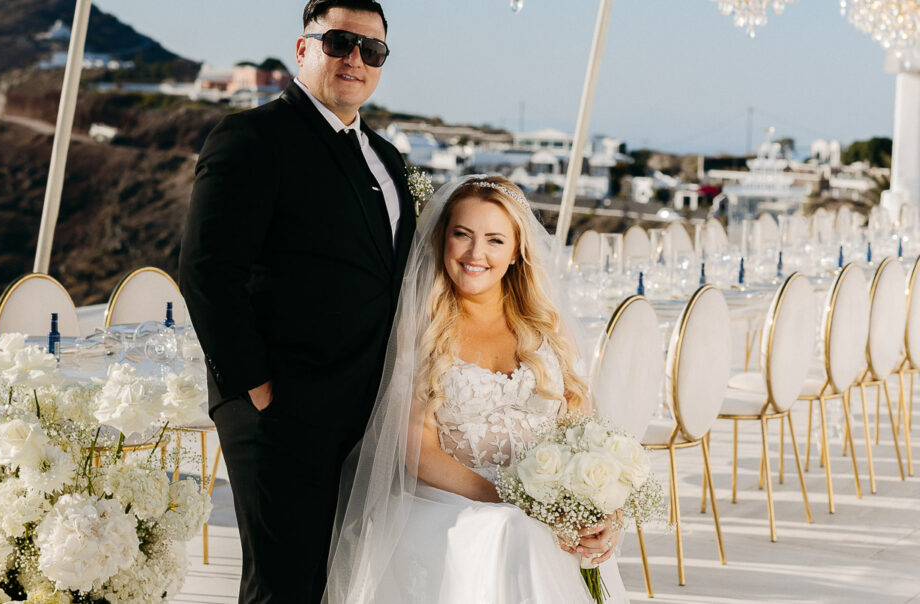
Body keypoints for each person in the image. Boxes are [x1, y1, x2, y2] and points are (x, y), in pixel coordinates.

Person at [178, 1, 415, 602]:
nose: (355, 59)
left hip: (367, 407)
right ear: (304, 49)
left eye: (372, 49)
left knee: (338, 579)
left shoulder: (387, 159)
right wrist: (257, 390)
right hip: (282, 409)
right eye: (339, 42)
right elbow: (208, 273)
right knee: (283, 585)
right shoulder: (252, 138)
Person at [324, 175, 629, 603]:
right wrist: (511, 500)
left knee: (529, 530)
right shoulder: (421, 328)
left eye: (494, 240)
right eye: (462, 235)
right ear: (442, 239)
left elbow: (584, 436)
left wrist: (599, 508)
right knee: (511, 529)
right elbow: (416, 448)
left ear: (518, 251)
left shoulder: (547, 327)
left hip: (537, 507)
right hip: (447, 503)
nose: (475, 254)